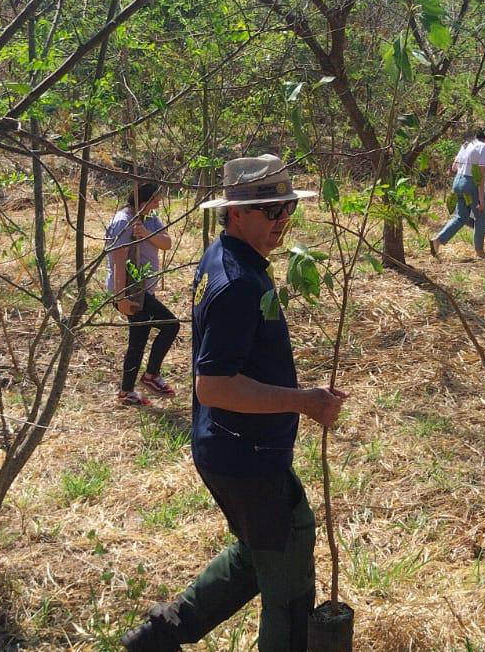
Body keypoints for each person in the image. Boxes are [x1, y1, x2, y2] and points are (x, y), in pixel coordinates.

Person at [122, 155, 346, 652]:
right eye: (271, 211)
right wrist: (303, 401)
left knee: (256, 552)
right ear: (237, 213)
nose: (282, 221)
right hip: (245, 456)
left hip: (230, 448)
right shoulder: (237, 283)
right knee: (288, 578)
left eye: (287, 209)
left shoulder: (225, 256)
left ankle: (157, 637)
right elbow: (214, 385)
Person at [106, 181, 180, 407]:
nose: (159, 203)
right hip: (130, 289)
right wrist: (121, 298)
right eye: (155, 199)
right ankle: (151, 376)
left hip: (144, 289)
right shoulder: (122, 221)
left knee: (138, 339)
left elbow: (166, 243)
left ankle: (126, 391)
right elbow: (118, 260)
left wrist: (146, 233)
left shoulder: (149, 219)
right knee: (171, 325)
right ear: (144, 199)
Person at [430, 126, 485, 258]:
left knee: (461, 217)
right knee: (480, 218)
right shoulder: (484, 148)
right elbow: (480, 175)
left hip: (458, 182)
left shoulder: (467, 144)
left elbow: (454, 167)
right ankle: (479, 251)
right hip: (471, 183)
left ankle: (438, 240)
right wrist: (480, 198)